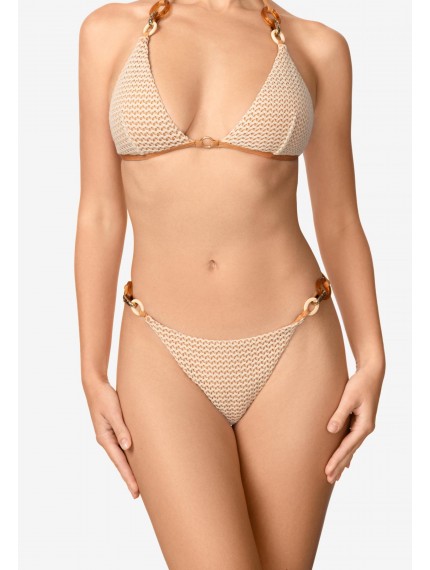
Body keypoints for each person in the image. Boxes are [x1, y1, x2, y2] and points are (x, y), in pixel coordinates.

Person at [74, 0, 386, 568]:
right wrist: (92, 371)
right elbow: (98, 212)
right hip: (160, 350)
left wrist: (373, 358)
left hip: (296, 348)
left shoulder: (318, 47)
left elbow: (339, 218)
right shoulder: (108, 33)